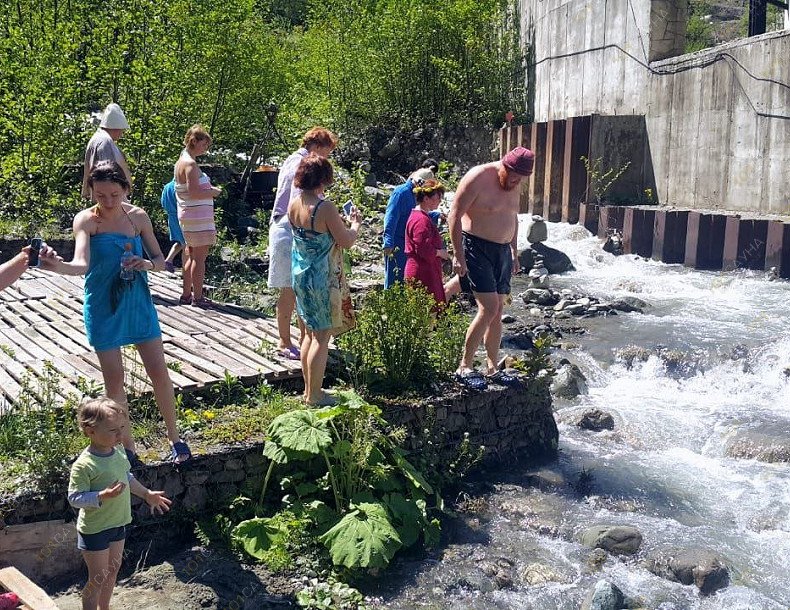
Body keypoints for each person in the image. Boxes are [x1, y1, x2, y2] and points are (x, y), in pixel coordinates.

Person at [39, 160, 191, 464]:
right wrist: (57, 265)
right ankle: (128, 449)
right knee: (115, 381)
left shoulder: (138, 217)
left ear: (125, 189)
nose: (107, 202)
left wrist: (146, 264)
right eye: (100, 196)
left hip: (137, 302)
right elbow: (81, 265)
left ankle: (175, 438)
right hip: (103, 305)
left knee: (159, 372)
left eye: (114, 194)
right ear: (92, 193)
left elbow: (161, 260)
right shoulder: (86, 220)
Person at [68, 397, 171, 610]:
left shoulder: (120, 451)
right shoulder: (84, 465)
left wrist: (147, 494)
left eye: (122, 428)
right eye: (113, 430)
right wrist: (101, 495)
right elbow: (74, 498)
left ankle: (104, 607)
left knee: (113, 569)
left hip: (118, 523)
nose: (120, 434)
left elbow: (127, 477)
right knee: (97, 576)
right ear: (90, 431)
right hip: (95, 529)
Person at [448, 146, 534, 386]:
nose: (516, 182)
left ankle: (492, 367)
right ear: (505, 166)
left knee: (497, 312)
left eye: (521, 179)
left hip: (502, 251)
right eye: (514, 176)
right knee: (488, 307)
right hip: (476, 246)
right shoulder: (479, 176)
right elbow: (454, 214)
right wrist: (457, 254)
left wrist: (515, 251)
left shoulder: (515, 185)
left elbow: (512, 217)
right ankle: (464, 366)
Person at [288, 154, 362, 406]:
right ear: (322, 179)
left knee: (308, 334)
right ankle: (316, 395)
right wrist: (355, 224)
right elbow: (347, 241)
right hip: (322, 278)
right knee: (321, 337)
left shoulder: (294, 204)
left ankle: (309, 392)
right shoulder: (325, 207)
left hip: (301, 275)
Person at [268, 127, 337, 360]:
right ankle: (284, 340)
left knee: (297, 288)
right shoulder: (301, 164)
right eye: (327, 152)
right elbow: (304, 200)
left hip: (287, 226)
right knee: (289, 288)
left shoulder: (292, 159)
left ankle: (302, 338)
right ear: (317, 147)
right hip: (289, 230)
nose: (327, 157)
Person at [174, 125, 222, 307]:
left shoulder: (181, 161)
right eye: (204, 144)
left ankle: (186, 294)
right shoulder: (190, 165)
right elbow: (194, 192)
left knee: (191, 253)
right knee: (199, 258)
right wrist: (213, 192)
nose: (206, 149)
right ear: (193, 141)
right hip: (197, 218)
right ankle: (198, 297)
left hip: (188, 215)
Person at [382, 166, 434, 288]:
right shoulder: (401, 193)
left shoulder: (416, 195)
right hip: (397, 243)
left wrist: (436, 215)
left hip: (408, 243)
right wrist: (388, 242)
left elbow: (417, 214)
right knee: (394, 280)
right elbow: (391, 217)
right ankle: (390, 306)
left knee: (406, 279)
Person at [404, 179, 451, 306]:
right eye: (437, 197)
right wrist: (440, 253)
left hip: (425, 271)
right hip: (422, 272)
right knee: (427, 314)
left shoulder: (420, 216)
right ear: (426, 199)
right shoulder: (421, 220)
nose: (440, 200)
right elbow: (423, 248)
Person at [82, 103, 132, 200]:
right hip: (110, 200)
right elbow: (108, 174)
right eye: (122, 130)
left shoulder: (98, 139)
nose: (122, 133)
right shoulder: (105, 142)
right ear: (116, 128)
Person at [160, 179, 185, 274]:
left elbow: (163, 203)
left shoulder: (167, 186)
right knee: (186, 243)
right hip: (181, 216)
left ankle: (168, 261)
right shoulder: (179, 186)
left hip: (171, 216)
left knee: (180, 241)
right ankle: (186, 269)